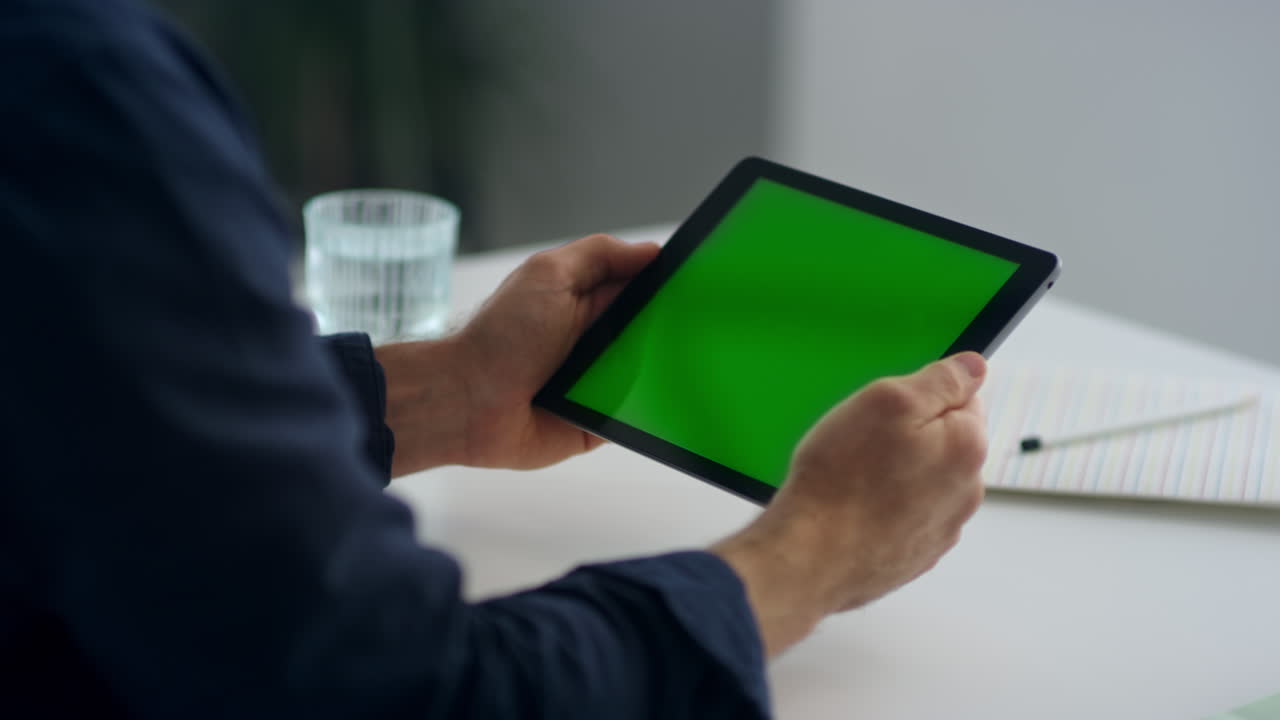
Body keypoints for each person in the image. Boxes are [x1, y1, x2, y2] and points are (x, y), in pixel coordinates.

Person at [0, 0, 989, 717]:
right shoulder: (64, 88)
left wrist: (446, 392)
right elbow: (394, 694)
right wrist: (811, 553)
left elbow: (65, 418)